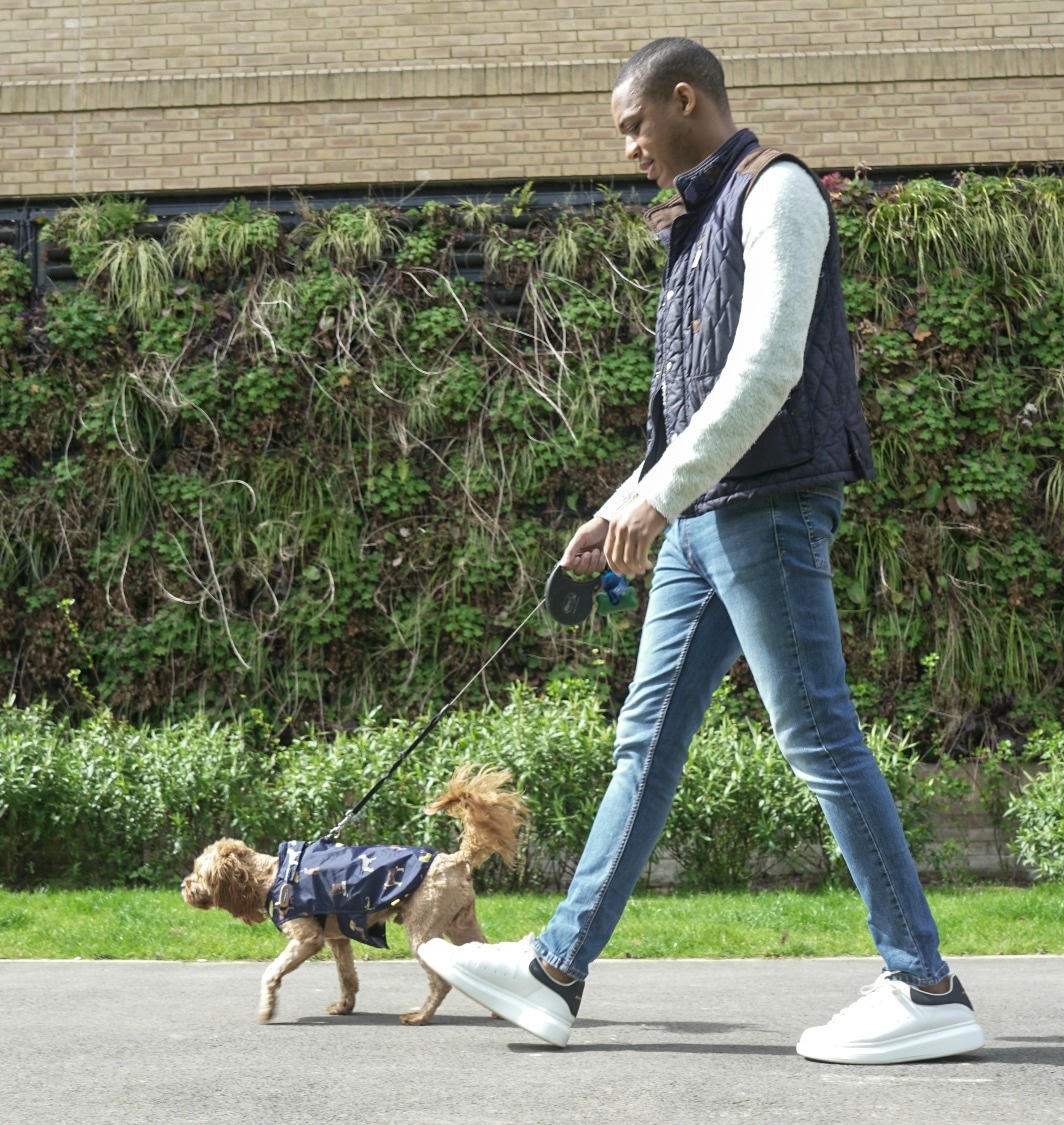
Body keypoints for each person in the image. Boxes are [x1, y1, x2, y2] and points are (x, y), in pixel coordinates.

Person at [417, 37, 985, 1064]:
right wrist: (623, 503)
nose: (628, 147)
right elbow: (686, 404)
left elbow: (766, 367)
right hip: (701, 517)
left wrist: (661, 498)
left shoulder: (777, 195)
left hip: (765, 508)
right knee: (645, 744)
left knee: (817, 738)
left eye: (633, 123)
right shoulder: (695, 224)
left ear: (685, 99)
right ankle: (553, 970)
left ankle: (925, 985)